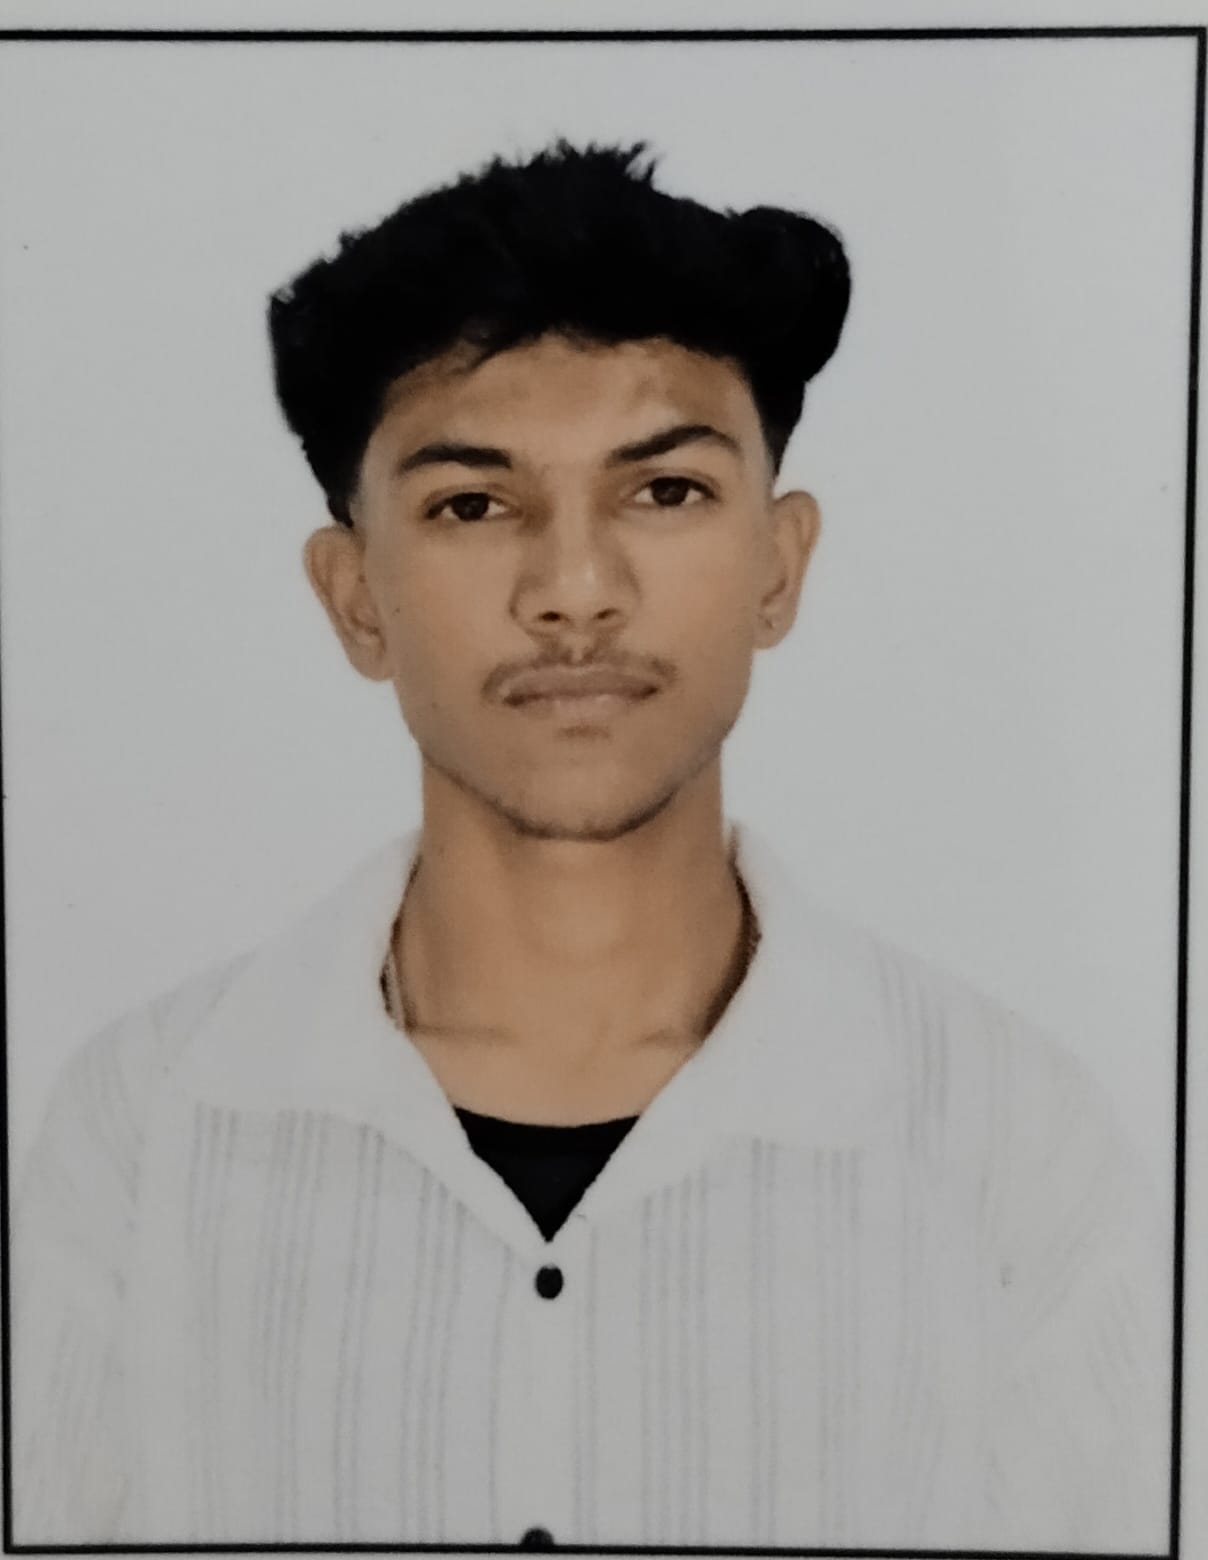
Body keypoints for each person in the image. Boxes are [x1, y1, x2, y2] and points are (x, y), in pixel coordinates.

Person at [11, 140, 1168, 1552]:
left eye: (664, 491)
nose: (574, 591)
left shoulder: (1013, 1151)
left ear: (780, 565)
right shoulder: (139, 1139)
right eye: (473, 504)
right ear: (355, 596)